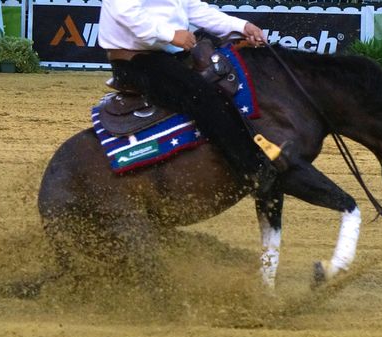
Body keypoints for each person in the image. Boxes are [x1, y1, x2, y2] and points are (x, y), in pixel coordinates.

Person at [98, 0, 278, 193]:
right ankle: (254, 170)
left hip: (167, 52)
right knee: (202, 95)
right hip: (134, 59)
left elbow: (192, 7)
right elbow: (124, 11)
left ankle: (250, 151)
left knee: (221, 75)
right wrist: (170, 35)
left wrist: (242, 27)